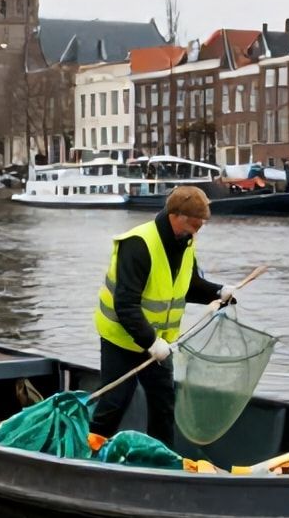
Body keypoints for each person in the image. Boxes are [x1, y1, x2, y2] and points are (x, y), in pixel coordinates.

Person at [91, 185, 235, 449]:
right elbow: (125, 304)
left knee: (164, 403)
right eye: (194, 224)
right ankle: (88, 452)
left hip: (160, 343)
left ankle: (160, 457)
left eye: (201, 226)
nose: (197, 231)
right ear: (175, 215)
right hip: (122, 338)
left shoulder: (185, 242)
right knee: (114, 402)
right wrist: (151, 342)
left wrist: (218, 292)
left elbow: (188, 286)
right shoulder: (138, 244)